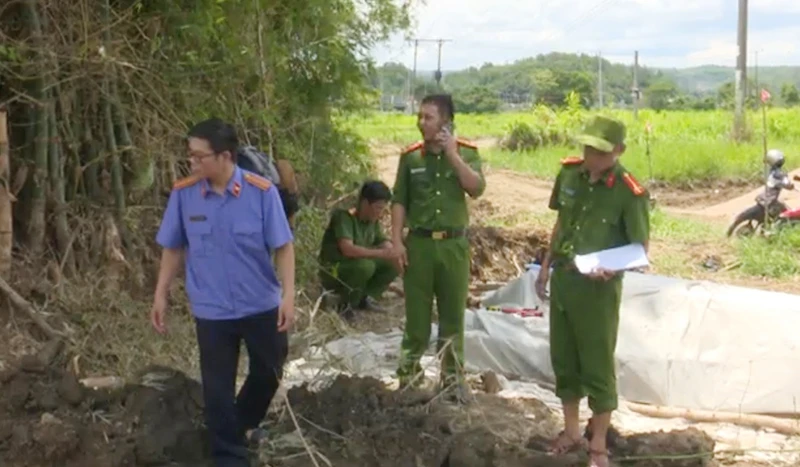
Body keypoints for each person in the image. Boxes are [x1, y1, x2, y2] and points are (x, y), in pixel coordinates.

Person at [150, 118, 295, 467]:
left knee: (269, 371)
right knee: (217, 390)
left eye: (200, 157)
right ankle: (229, 456)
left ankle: (239, 424)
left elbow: (284, 247)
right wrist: (160, 294)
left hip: (259, 303)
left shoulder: (262, 192)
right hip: (212, 309)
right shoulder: (185, 195)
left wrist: (289, 295)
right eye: (190, 156)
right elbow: (172, 247)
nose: (193, 163)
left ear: (225, 157)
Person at [534, 115, 650, 467]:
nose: (590, 155)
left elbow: (640, 247)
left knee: (597, 364)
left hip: (598, 289)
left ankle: (598, 442)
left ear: (618, 151)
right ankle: (570, 431)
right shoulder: (569, 174)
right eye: (586, 147)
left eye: (599, 151)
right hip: (566, 280)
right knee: (564, 358)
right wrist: (545, 266)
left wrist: (613, 268)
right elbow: (560, 223)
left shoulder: (628, 192)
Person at [390, 93, 485, 401]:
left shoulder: (467, 153)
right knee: (416, 317)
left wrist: (453, 155)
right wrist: (395, 242)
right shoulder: (411, 158)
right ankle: (408, 375)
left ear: (446, 123)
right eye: (420, 117)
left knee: (452, 316)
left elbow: (476, 188)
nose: (421, 123)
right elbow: (399, 201)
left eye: (428, 118)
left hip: (453, 246)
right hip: (419, 245)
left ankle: (452, 380)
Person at [318, 180, 398, 315]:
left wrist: (392, 251)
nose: (381, 213)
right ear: (365, 203)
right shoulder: (344, 217)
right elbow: (347, 249)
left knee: (392, 262)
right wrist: (381, 253)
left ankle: (364, 298)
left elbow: (382, 240)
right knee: (366, 267)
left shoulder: (372, 222)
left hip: (355, 267)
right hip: (335, 270)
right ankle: (346, 304)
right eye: (378, 208)